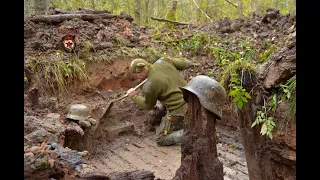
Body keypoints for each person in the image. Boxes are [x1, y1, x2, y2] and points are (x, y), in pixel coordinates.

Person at [126, 57, 192, 146]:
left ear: (139, 73)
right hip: (192, 99)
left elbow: (147, 106)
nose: (136, 77)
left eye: (135, 75)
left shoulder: (149, 85)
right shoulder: (164, 61)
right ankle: (187, 124)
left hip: (179, 109)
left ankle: (191, 134)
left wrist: (133, 96)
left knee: (161, 139)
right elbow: (186, 63)